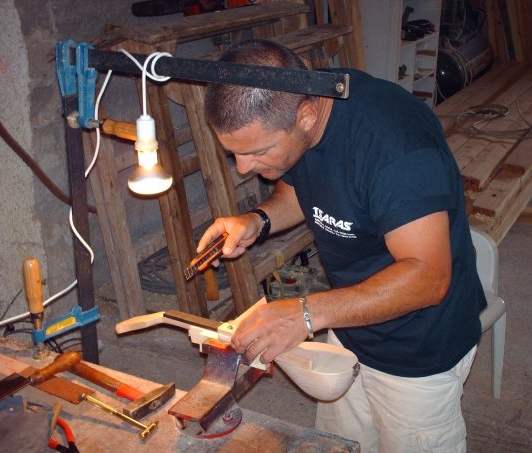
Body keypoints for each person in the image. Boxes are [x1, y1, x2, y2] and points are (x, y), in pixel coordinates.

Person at [197, 39, 486, 452]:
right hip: (349, 325)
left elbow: (429, 278)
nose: (244, 168)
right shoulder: (302, 109)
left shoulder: (396, 147)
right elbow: (300, 187)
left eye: (258, 151)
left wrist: (305, 314)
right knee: (339, 445)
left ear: (306, 116)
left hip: (418, 348)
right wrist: (256, 221)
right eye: (234, 154)